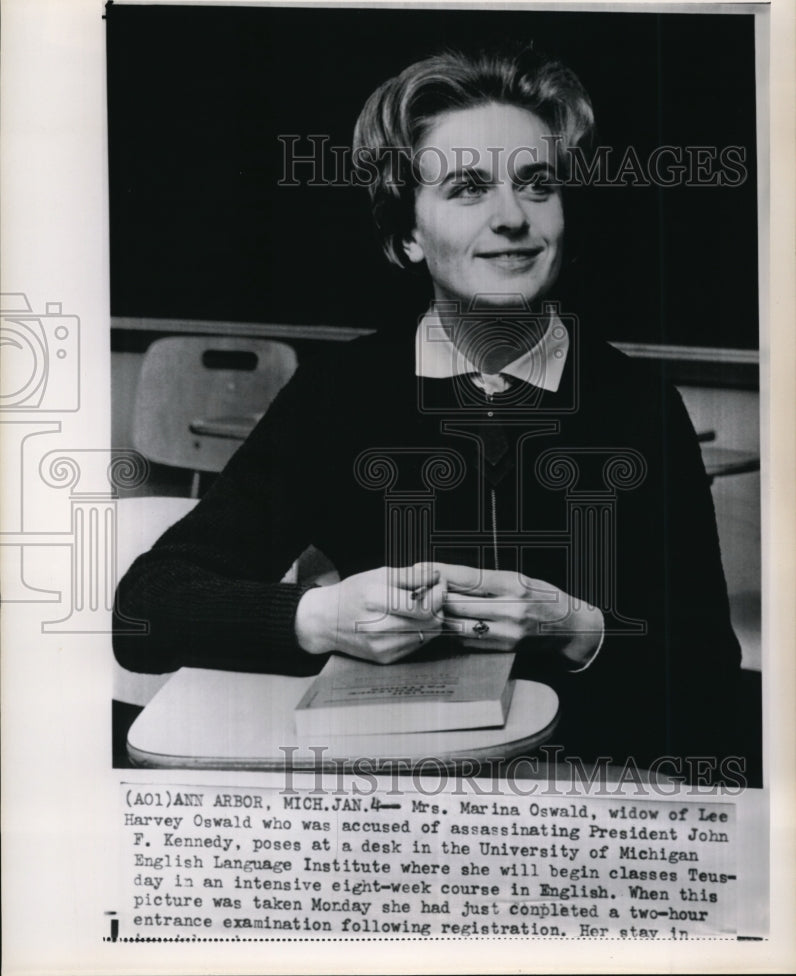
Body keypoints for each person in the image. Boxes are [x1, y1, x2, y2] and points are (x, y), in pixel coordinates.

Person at [115, 46, 744, 775]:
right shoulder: (337, 393)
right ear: (407, 233)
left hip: (576, 786)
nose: (514, 217)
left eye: (537, 185)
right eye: (470, 188)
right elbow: (147, 610)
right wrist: (318, 618)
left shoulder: (639, 405)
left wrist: (575, 629)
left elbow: (708, 680)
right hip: (385, 785)